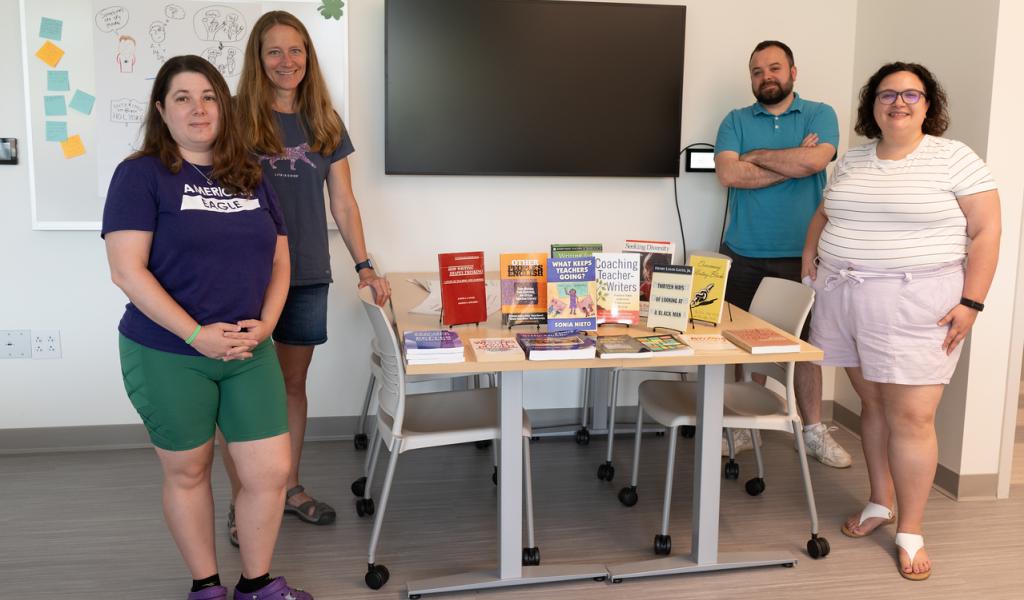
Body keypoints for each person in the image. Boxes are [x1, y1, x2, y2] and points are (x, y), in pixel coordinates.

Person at [102, 55, 312, 600]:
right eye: (183, 98)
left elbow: (281, 260)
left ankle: (258, 584)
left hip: (249, 350)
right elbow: (127, 270)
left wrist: (266, 324)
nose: (199, 108)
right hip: (169, 351)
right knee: (189, 472)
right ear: (161, 110)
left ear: (225, 105)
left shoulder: (250, 172)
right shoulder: (140, 174)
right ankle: (207, 587)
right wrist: (197, 335)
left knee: (268, 472)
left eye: (209, 96)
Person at [803, 62, 1000, 580]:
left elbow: (987, 232)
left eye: (911, 95)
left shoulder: (954, 158)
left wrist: (972, 302)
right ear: (873, 105)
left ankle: (910, 529)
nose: (899, 103)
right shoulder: (853, 160)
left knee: (911, 418)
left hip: (918, 304)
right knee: (870, 403)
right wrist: (810, 255)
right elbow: (826, 212)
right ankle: (879, 502)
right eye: (888, 94)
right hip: (844, 297)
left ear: (928, 105)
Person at [221, 10, 391, 544]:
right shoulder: (234, 120)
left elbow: (342, 200)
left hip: (308, 272)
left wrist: (365, 264)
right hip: (246, 277)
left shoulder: (325, 122)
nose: (286, 61)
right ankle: (244, 500)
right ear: (258, 58)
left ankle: (289, 487)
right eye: (274, 51)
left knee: (292, 385)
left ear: (307, 57)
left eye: (295, 50)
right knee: (246, 392)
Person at [713, 40, 851, 468]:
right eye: (757, 71)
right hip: (742, 253)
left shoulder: (819, 114)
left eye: (774, 67)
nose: (766, 76)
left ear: (793, 71)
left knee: (805, 346)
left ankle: (812, 430)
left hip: (802, 255)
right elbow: (728, 173)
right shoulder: (734, 120)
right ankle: (739, 424)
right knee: (736, 347)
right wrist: (790, 160)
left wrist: (758, 159)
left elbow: (816, 163)